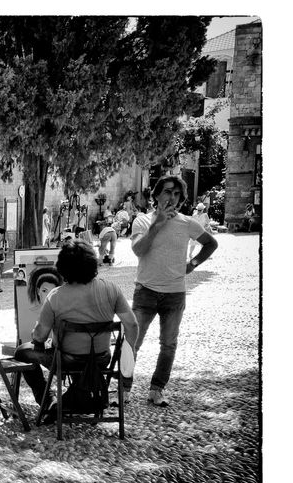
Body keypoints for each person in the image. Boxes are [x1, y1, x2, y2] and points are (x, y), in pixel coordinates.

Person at [14, 240, 138, 419]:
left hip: (66, 360)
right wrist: (130, 349)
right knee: (84, 358)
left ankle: (47, 399)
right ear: (92, 264)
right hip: (101, 359)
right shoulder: (111, 289)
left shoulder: (56, 296)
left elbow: (39, 336)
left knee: (21, 352)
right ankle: (76, 396)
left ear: (63, 268)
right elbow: (132, 324)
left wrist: (37, 335)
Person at [127, 175, 218, 406]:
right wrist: (157, 225)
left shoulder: (187, 222)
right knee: (132, 342)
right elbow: (139, 250)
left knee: (168, 344)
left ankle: (156, 389)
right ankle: (123, 390)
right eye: (168, 192)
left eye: (177, 194)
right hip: (145, 291)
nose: (172, 197)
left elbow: (211, 243)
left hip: (175, 293)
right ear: (157, 195)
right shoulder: (142, 221)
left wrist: (193, 265)